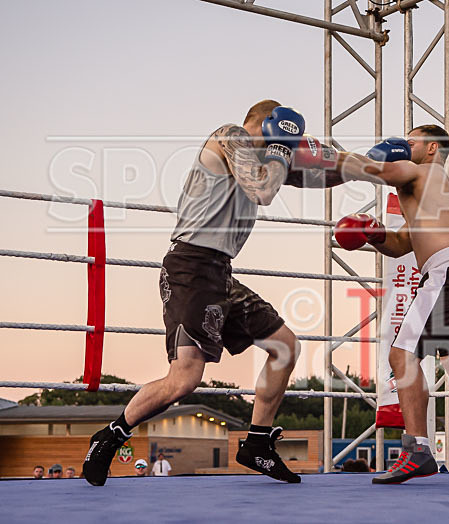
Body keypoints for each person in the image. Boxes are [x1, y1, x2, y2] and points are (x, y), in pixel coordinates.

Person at [80, 101, 344, 487]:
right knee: (184, 379)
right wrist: (283, 146)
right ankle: (111, 435)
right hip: (190, 266)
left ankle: (256, 443)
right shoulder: (230, 136)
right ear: (263, 123)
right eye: (276, 135)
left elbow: (319, 176)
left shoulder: (267, 159)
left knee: (285, 345)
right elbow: (263, 191)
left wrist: (371, 167)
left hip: (221, 273)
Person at [331, 126, 449, 485]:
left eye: (411, 142)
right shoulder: (441, 193)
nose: (403, 147)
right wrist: (374, 235)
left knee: (401, 356)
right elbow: (402, 244)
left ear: (432, 149)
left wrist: (321, 154)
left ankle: (417, 450)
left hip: (447, 275)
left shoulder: (422, 171)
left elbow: (376, 169)